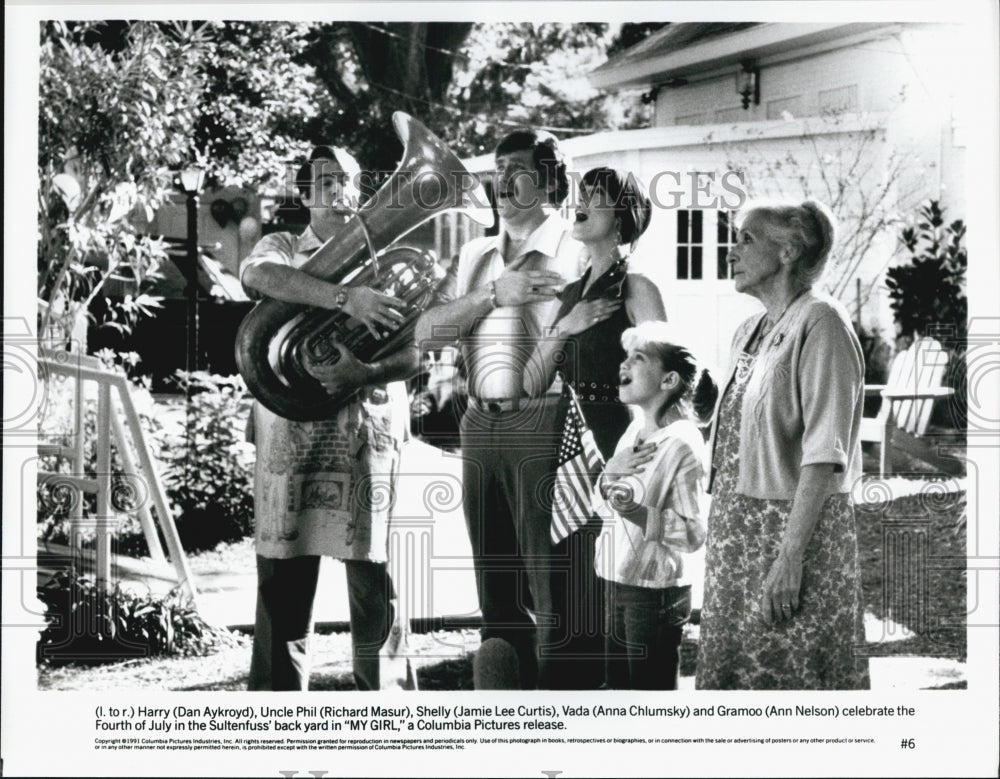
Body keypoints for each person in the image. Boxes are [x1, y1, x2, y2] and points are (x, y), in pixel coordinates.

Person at [241, 145, 418, 691]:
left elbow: (414, 353)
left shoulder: (388, 252)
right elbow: (260, 276)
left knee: (374, 577)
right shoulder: (284, 245)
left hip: (362, 434)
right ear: (303, 194)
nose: (336, 192)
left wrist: (361, 373)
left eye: (346, 181)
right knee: (282, 577)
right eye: (323, 182)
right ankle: (273, 715)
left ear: (362, 190)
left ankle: (387, 716)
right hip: (290, 435)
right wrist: (346, 299)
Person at [414, 129, 583, 689]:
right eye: (497, 168)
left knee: (551, 582)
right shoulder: (474, 253)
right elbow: (428, 334)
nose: (502, 181)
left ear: (550, 178)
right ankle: (503, 713)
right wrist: (494, 293)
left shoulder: (576, 244)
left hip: (546, 418)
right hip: (478, 423)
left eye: (517, 168)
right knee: (495, 581)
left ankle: (558, 713)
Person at [695, 199, 870, 690]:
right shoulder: (748, 331)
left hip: (789, 533)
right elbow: (743, 437)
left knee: (793, 682)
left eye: (746, 239)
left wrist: (790, 557)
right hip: (737, 535)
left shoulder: (822, 322)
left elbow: (824, 453)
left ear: (789, 250)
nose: (731, 251)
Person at [519, 166, 666, 686]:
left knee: (618, 585)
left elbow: (668, 382)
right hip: (570, 448)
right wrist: (569, 323)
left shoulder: (637, 287)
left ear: (622, 217)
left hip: (623, 442)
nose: (579, 203)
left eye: (595, 197)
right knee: (573, 583)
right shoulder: (570, 293)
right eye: (579, 194)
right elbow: (532, 381)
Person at [592, 321, 716, 690]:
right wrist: (607, 475)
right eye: (626, 356)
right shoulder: (633, 432)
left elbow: (693, 533)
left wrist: (637, 513)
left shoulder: (682, 444)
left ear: (668, 381)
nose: (623, 365)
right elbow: (604, 505)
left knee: (649, 697)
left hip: (654, 592)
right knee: (618, 689)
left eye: (638, 358)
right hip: (615, 579)